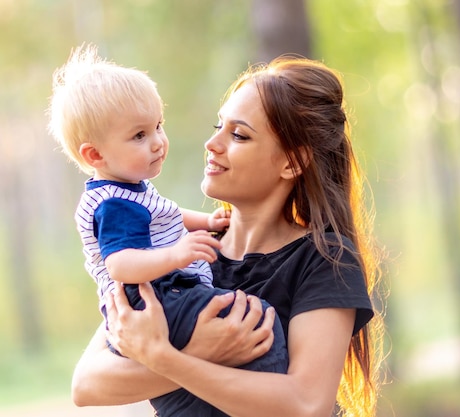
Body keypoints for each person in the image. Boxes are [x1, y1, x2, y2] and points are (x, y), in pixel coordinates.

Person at [71, 55, 385, 417]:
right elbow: (87, 385)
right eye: (217, 126)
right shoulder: (178, 250)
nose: (212, 143)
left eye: (238, 135)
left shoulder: (324, 258)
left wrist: (165, 359)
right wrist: (201, 352)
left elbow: (306, 403)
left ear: (292, 163)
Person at [47, 45, 289, 415]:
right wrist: (176, 255)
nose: (158, 142)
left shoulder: (131, 190)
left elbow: (169, 214)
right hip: (156, 296)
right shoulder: (114, 205)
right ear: (95, 156)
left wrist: (206, 222)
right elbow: (121, 265)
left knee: (194, 387)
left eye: (158, 126)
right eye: (139, 135)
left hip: (163, 295)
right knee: (256, 321)